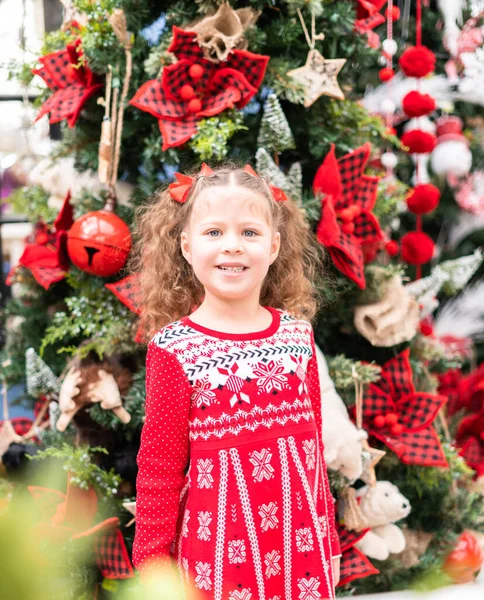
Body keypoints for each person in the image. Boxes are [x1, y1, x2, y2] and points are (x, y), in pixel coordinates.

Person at [131, 164, 341, 600]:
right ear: (186, 246)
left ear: (274, 245)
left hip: (301, 551)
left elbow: (312, 454)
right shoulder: (174, 349)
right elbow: (160, 471)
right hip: (216, 562)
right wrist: (152, 572)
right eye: (213, 233)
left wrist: (330, 542)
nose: (233, 247)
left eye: (249, 232)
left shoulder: (297, 336)